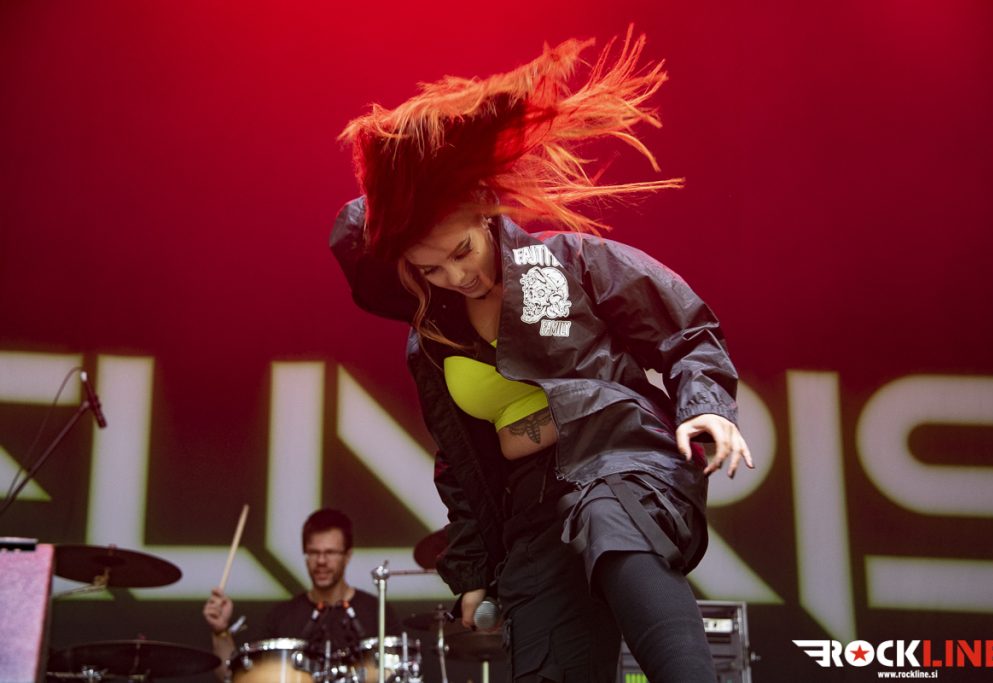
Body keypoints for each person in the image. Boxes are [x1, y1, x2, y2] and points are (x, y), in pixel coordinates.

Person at [331, 27, 754, 683]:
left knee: (612, 525)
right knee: (544, 648)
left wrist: (707, 406)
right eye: (431, 268)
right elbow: (462, 469)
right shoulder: (431, 341)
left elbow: (686, 329)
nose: (456, 276)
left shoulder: (570, 261)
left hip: (620, 458)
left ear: (486, 210)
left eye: (462, 252)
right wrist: (473, 571)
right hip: (532, 511)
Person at [202, 508, 395, 679]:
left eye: (330, 552)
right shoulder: (281, 617)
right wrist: (220, 632)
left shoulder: (376, 613)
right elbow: (233, 677)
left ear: (348, 556)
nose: (321, 561)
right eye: (313, 552)